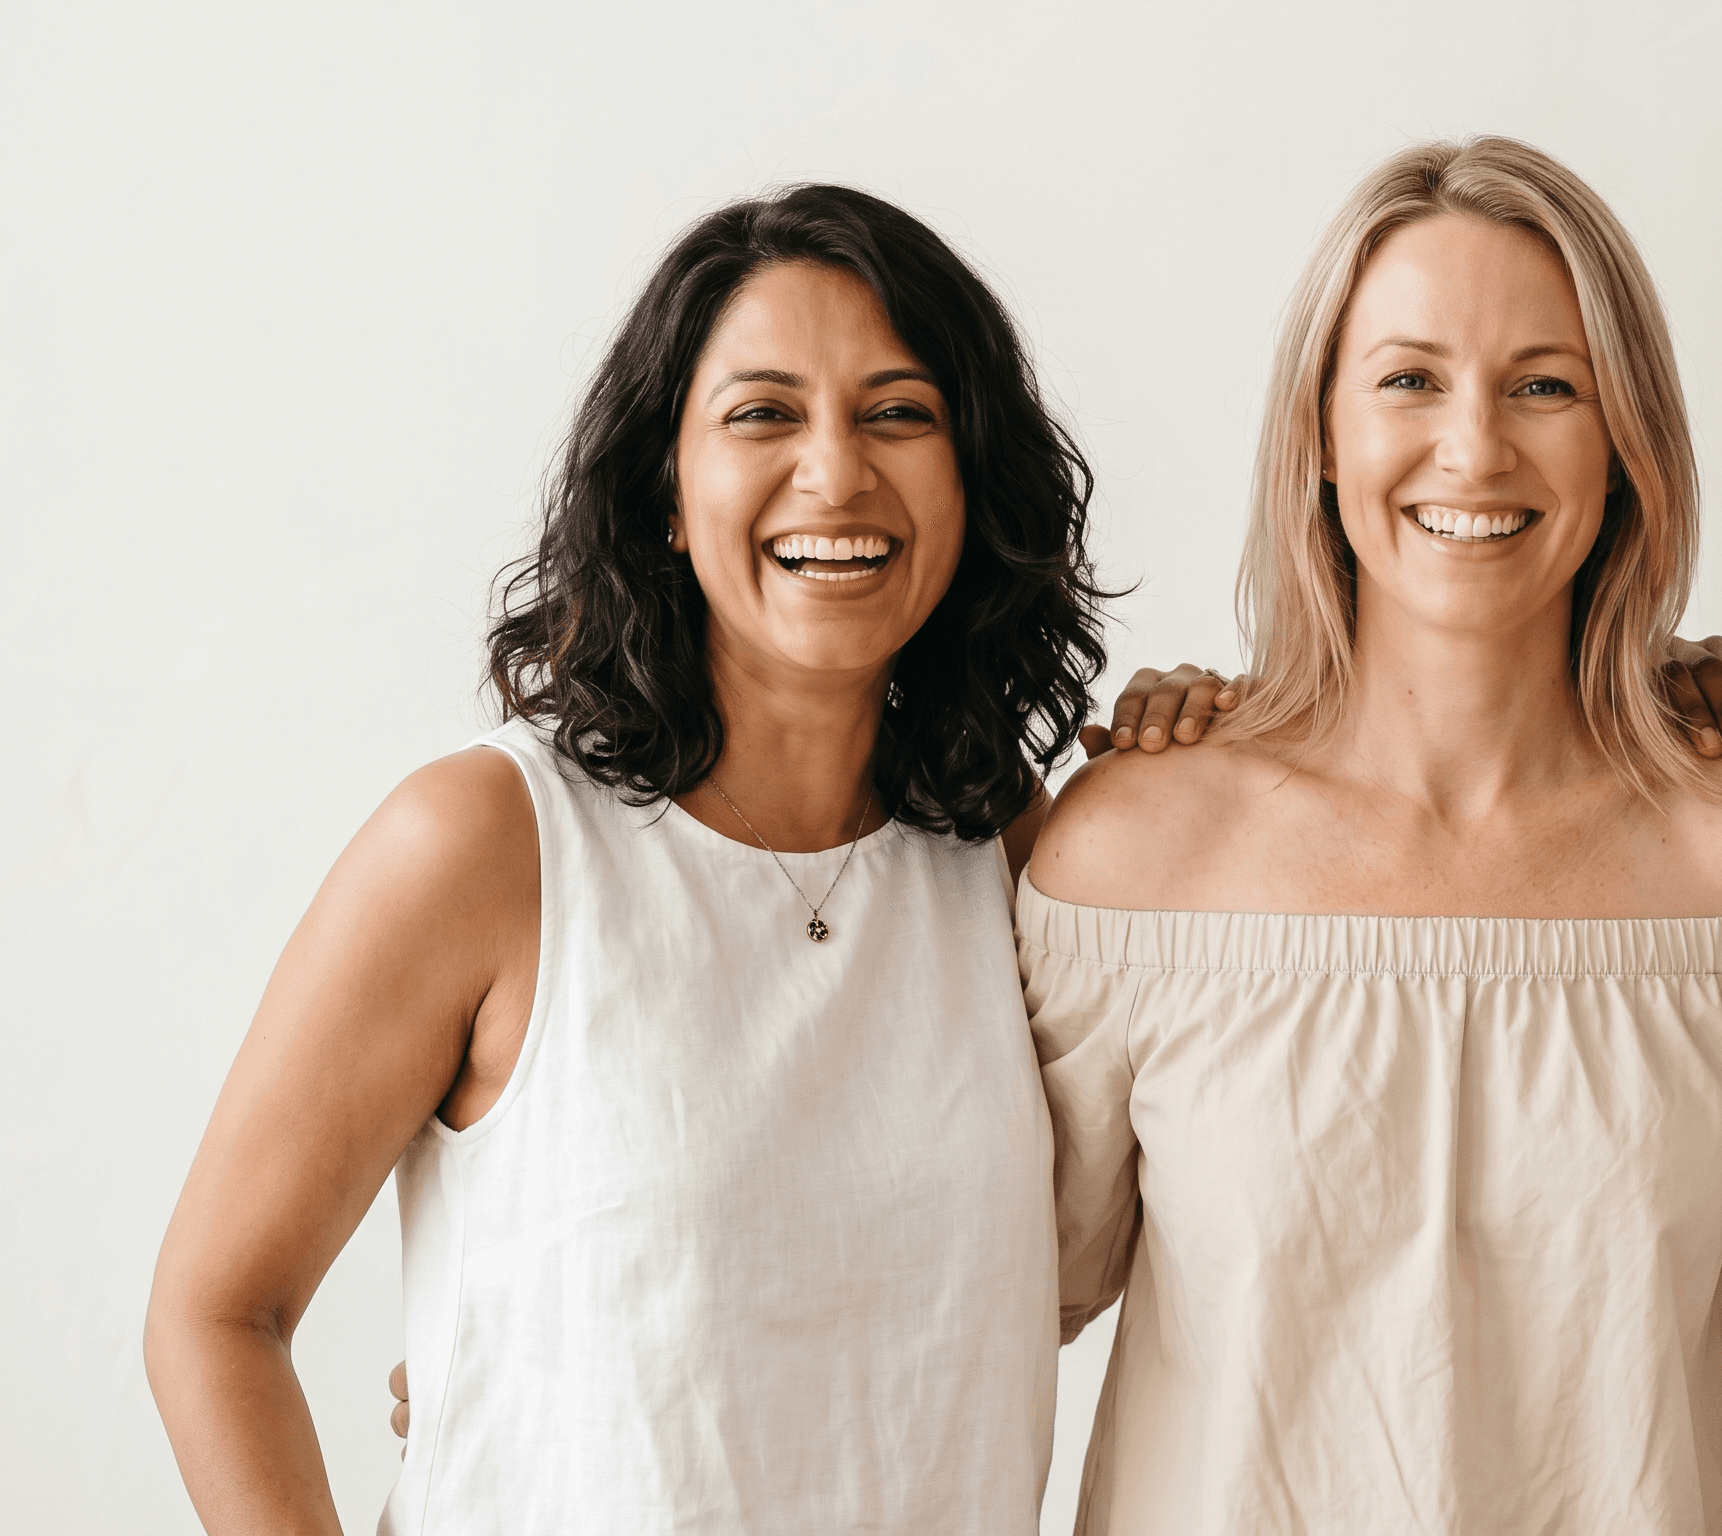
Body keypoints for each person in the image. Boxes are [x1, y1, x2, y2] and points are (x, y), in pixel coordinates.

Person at [145, 184, 1111, 1535]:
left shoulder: (1017, 858)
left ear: (970, 482)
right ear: (666, 489)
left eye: (898, 412)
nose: (835, 472)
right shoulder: (488, 847)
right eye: (762, 413)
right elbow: (214, 1315)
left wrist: (1212, 753)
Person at [1020, 137, 1722, 1535]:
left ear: (1627, 443)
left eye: (1547, 385)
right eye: (1409, 379)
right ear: (1320, 431)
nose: (1475, 447)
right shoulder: (1134, 848)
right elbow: (989, 1303)